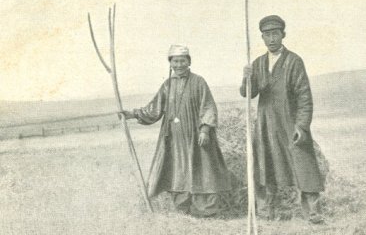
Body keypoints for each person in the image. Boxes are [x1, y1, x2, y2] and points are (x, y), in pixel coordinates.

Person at [122, 45, 231, 217]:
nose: (179, 64)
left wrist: (204, 130)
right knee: (177, 171)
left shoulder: (199, 81)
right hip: (174, 139)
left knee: (203, 170)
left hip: (197, 137)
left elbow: (208, 106)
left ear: (189, 62)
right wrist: (132, 114)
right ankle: (183, 210)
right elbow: (154, 109)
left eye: (182, 61)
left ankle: (205, 212)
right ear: (170, 63)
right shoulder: (167, 85)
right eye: (175, 61)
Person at [240, 15, 325, 224]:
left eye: (275, 34)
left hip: (290, 122)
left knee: (303, 164)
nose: (271, 39)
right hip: (266, 123)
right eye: (267, 35)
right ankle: (267, 211)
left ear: (282, 35)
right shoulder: (258, 63)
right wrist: (247, 77)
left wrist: (301, 126)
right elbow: (247, 94)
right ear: (262, 38)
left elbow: (305, 96)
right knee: (265, 165)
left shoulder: (294, 61)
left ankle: (312, 212)